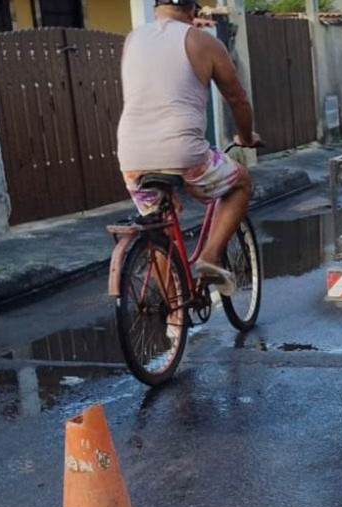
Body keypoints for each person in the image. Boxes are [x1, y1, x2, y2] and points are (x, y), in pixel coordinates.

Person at [117, 0, 261, 292]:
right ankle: (209, 257)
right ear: (192, 11)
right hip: (184, 152)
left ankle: (173, 320)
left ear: (156, 8)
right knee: (242, 183)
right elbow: (237, 99)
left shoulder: (132, 40)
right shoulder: (202, 41)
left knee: (156, 228)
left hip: (132, 154)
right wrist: (246, 137)